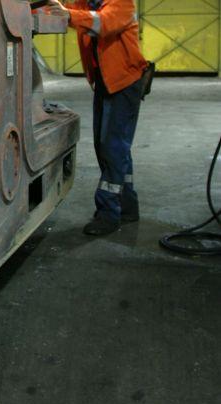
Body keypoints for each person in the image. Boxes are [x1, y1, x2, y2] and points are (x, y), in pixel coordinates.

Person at [49, 0, 148, 235]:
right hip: (105, 82)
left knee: (112, 147)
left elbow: (102, 23)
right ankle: (127, 206)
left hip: (124, 83)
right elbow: (69, 14)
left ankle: (108, 213)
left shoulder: (122, 2)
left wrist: (67, 13)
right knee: (111, 146)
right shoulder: (85, 2)